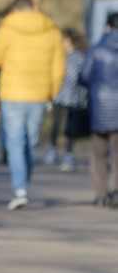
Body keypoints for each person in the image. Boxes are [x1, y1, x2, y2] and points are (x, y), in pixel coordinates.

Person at [0, 0, 65, 210]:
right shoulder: (52, 30)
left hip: (12, 93)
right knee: (30, 143)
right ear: (34, 8)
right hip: (39, 95)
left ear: (14, 9)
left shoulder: (7, 28)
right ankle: (24, 185)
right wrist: (52, 92)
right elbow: (58, 68)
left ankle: (19, 189)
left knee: (14, 143)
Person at [79, 12, 118, 208]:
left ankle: (101, 194)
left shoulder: (97, 49)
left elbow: (84, 76)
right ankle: (117, 190)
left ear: (107, 26)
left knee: (99, 154)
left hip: (101, 108)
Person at [44, 28, 89, 171]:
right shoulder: (60, 55)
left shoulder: (79, 57)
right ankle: (53, 149)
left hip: (74, 97)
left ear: (68, 40)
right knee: (56, 124)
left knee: (71, 127)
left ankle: (68, 154)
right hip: (59, 95)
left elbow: (79, 78)